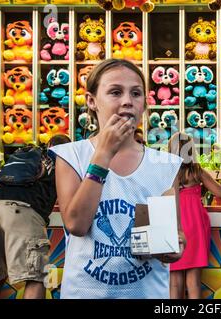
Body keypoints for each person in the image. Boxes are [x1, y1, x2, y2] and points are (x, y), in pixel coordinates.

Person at [51, 59, 185, 299]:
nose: (127, 101)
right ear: (91, 101)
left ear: (145, 103)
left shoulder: (165, 166)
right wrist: (103, 154)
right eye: (115, 92)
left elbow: (171, 237)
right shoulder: (71, 156)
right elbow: (77, 224)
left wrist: (174, 247)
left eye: (136, 93)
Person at [0, 134, 71, 299]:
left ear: (49, 144)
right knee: (35, 278)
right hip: (21, 210)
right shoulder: (63, 161)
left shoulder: (32, 156)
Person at [167, 132, 221, 299]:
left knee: (174, 281)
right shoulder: (196, 171)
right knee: (193, 281)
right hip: (195, 226)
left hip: (173, 225)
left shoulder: (167, 172)